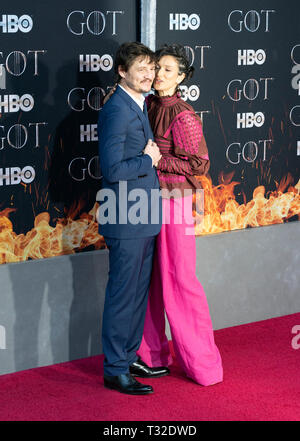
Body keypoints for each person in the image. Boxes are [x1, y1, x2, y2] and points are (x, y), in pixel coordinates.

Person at [136, 44, 223, 386]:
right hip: (148, 198)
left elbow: (199, 164)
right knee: (151, 281)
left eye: (169, 70)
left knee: (179, 280)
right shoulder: (149, 104)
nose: (160, 74)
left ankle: (202, 365)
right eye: (158, 67)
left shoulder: (183, 114)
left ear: (182, 77)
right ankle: (151, 356)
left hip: (175, 200)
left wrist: (160, 160)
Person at [97, 42, 170, 396]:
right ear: (122, 72)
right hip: (125, 217)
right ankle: (114, 369)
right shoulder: (117, 110)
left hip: (142, 216)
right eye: (140, 68)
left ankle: (127, 359)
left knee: (137, 294)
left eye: (151, 68)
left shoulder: (136, 103)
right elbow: (112, 169)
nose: (149, 74)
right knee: (123, 295)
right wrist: (148, 159)